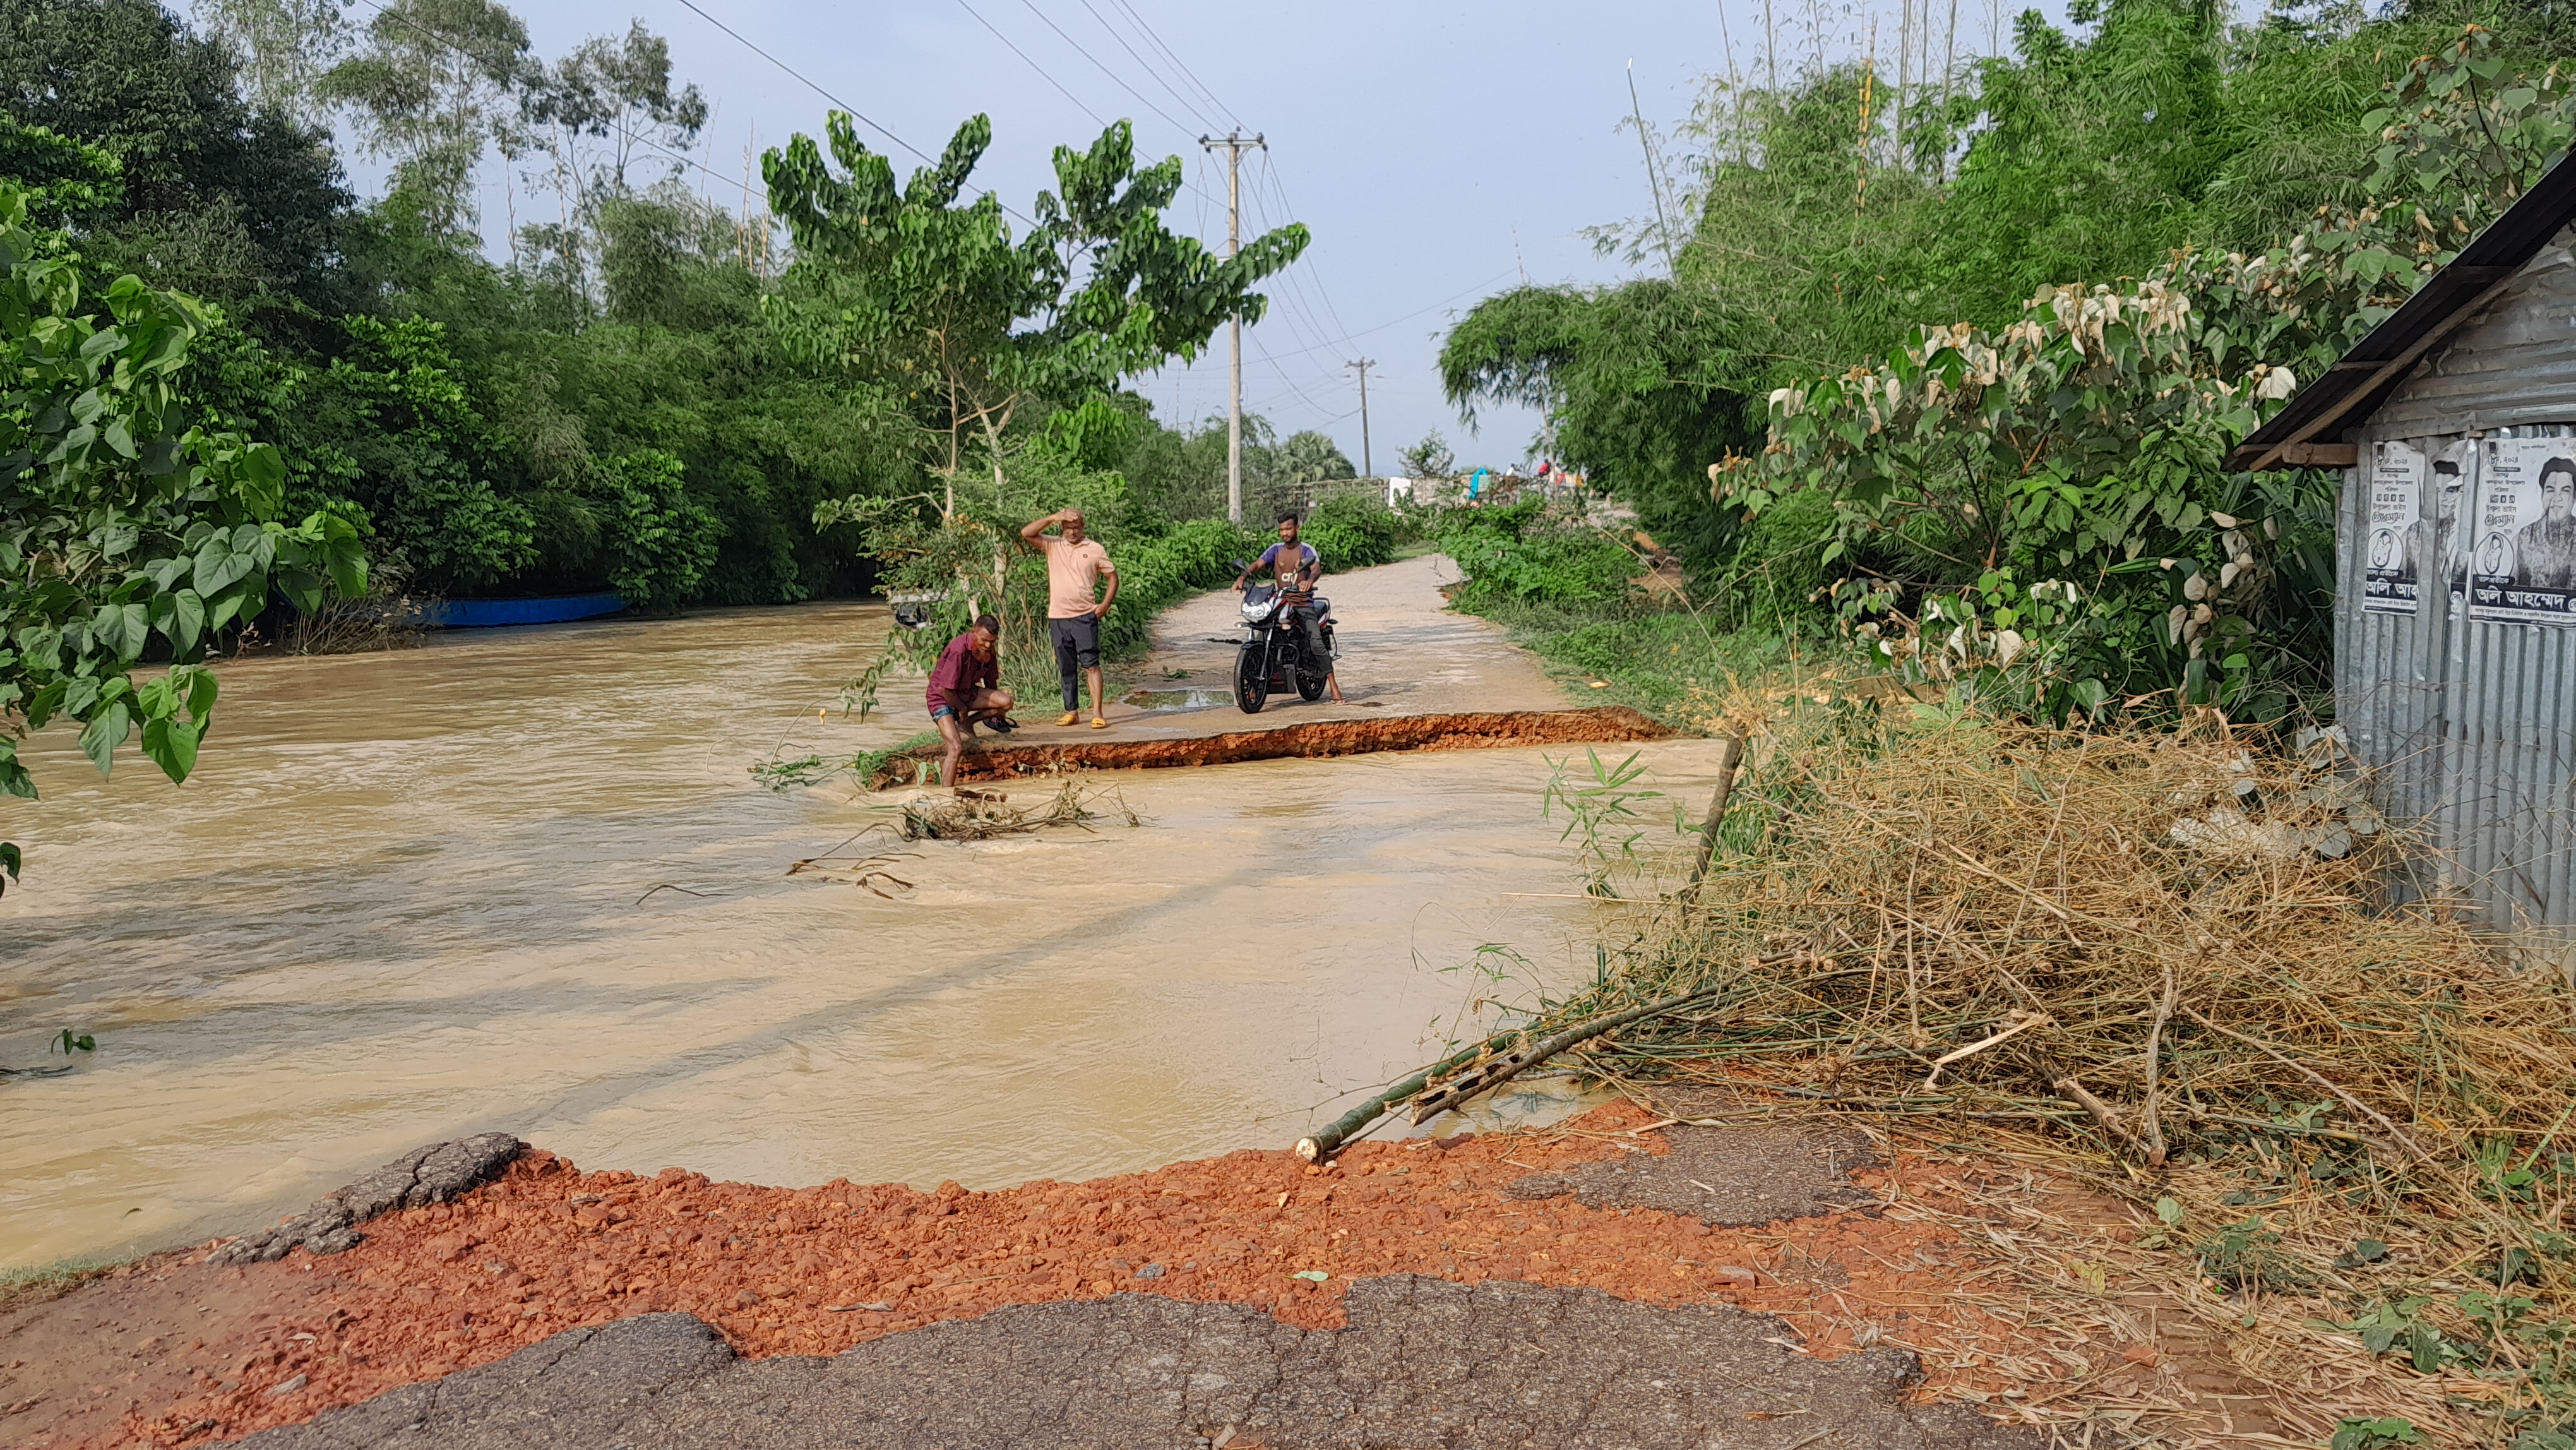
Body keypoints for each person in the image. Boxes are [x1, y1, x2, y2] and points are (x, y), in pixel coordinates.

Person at [1021, 507, 1118, 728]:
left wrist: (1105, 604)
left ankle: (1097, 713)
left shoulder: (1095, 549)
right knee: (1066, 667)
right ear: (1062, 529)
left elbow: (1112, 577)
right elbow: (1026, 533)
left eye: (1076, 528)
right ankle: (1071, 711)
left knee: (1091, 665)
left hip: (1085, 615)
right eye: (1067, 528)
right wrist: (1053, 517)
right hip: (1058, 616)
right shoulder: (1053, 545)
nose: (1072, 532)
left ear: (1083, 527)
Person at [1234, 509, 1340, 700]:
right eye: (1282, 530)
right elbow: (1258, 564)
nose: (1285, 533)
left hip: (1302, 601)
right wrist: (1243, 576)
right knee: (1261, 631)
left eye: (1288, 529)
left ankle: (1333, 685)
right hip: (1280, 600)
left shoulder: (1306, 550)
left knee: (1315, 641)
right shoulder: (1275, 550)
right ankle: (1255, 684)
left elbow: (1316, 569)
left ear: (1297, 528)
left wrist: (1310, 581)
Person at [926, 613, 1015, 789]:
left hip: (967, 693)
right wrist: (961, 709)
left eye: (993, 642)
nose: (988, 645)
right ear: (974, 632)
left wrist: (999, 714)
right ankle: (946, 795)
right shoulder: (958, 650)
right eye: (984, 640)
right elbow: (945, 689)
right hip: (941, 699)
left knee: (1006, 702)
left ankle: (967, 724)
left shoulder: (989, 651)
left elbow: (990, 683)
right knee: (956, 747)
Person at [2517, 456, 2576, 592]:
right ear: (2543, 494)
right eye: (2550, 490)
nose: (2557, 498)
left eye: (2565, 490)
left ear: (2574, 497)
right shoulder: (2524, 536)